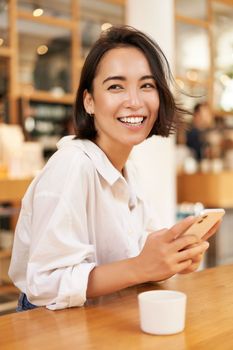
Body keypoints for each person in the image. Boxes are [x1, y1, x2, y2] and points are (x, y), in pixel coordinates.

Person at [9, 26, 221, 311]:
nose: (134, 101)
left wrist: (169, 259)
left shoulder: (128, 169)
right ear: (89, 101)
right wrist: (141, 267)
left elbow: (136, 254)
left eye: (146, 85)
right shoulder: (72, 165)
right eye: (115, 86)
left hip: (106, 313)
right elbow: (44, 284)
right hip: (54, 325)